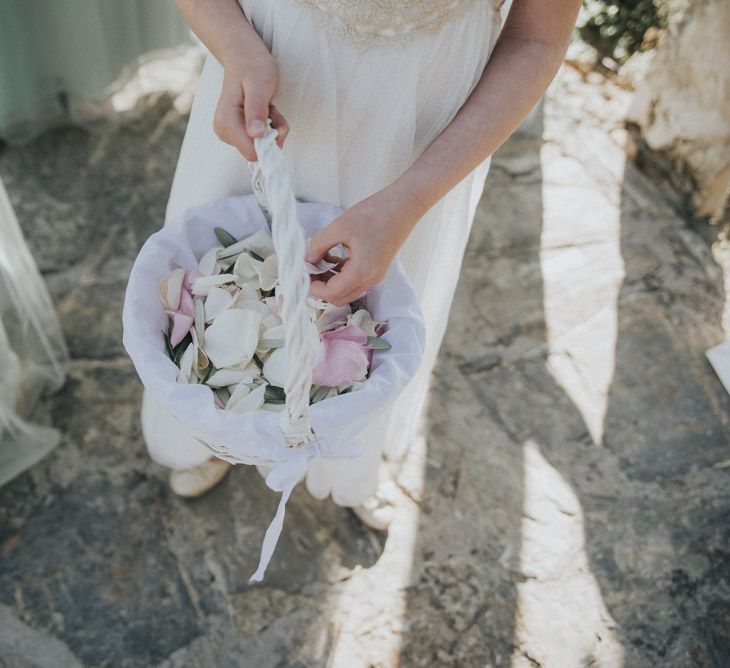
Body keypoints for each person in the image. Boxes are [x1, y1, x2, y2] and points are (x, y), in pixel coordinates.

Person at [141, 0, 581, 529]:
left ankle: (351, 456)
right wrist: (234, 43)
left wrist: (409, 202)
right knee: (226, 282)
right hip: (269, 67)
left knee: (373, 319)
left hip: (420, 130)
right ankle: (215, 432)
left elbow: (537, 39)